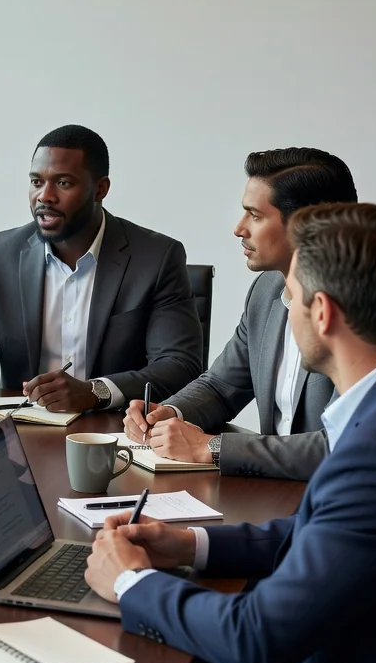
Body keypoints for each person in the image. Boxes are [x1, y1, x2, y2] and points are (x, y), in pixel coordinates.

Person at [39, 201, 376, 663]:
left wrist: (131, 583)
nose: (282, 311)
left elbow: (257, 637)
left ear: (324, 312)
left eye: (289, 298)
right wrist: (191, 546)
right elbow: (315, 534)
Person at [0, 124, 203, 411]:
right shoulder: (0, 254)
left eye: (63, 183)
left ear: (100, 189)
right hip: (23, 433)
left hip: (113, 434)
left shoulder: (156, 258)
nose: (44, 196)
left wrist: (95, 392)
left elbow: (180, 366)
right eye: (36, 182)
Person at [123, 148, 357, 480]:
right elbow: (221, 385)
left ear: (309, 224)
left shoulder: (363, 312)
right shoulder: (267, 291)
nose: (238, 228)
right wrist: (168, 413)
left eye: (255, 215)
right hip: (274, 494)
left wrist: (212, 447)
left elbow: (345, 444)